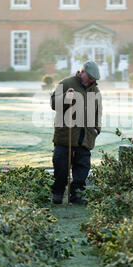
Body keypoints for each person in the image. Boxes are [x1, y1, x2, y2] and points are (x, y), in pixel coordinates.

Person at [50, 61, 102, 205]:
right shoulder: (66, 83)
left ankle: (76, 194)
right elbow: (53, 103)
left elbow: (98, 112)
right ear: (82, 72)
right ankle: (58, 193)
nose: (93, 80)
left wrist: (97, 129)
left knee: (82, 169)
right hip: (65, 134)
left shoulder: (95, 91)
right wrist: (65, 100)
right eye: (90, 77)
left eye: (94, 79)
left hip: (85, 136)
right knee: (61, 167)